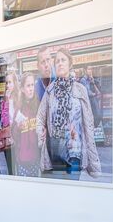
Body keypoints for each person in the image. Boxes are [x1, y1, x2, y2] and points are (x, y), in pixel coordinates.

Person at [37, 48, 100, 178]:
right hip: (54, 151)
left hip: (74, 151)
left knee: (72, 190)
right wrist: (41, 131)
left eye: (63, 60)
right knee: (58, 191)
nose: (60, 63)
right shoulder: (50, 91)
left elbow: (88, 121)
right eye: (57, 61)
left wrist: (91, 151)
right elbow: (40, 117)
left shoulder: (80, 89)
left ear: (70, 64)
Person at [12, 72, 42, 177]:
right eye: (28, 86)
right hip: (22, 158)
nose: (31, 89)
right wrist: (18, 127)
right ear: (22, 89)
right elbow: (13, 134)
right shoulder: (19, 108)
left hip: (35, 156)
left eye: (32, 85)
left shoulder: (38, 105)